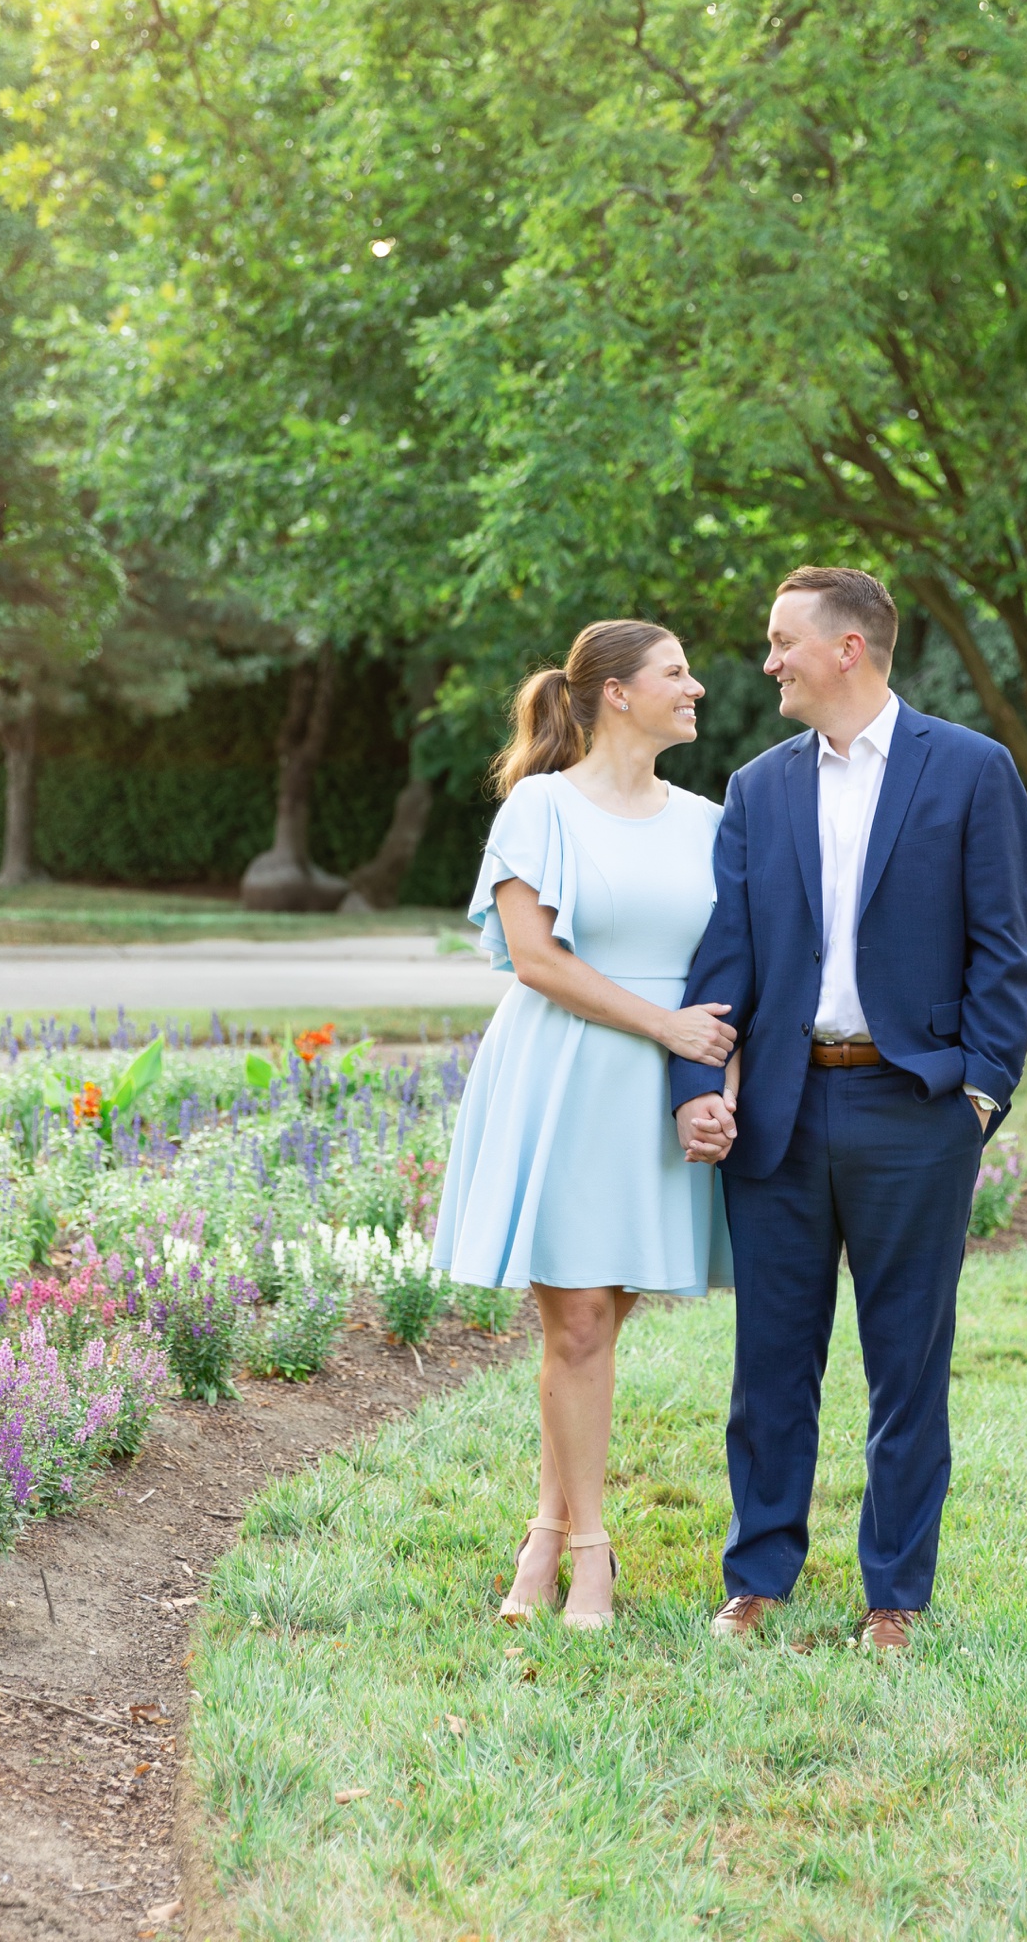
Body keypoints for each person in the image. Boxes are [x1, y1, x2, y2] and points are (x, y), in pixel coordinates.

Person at [671, 568, 1027, 1651]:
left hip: (912, 1108)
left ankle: (894, 1597)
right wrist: (704, 1088)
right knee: (770, 1365)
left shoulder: (972, 772)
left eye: (784, 641)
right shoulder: (758, 786)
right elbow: (723, 958)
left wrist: (974, 1096)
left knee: (906, 1367)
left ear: (849, 649)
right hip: (780, 1114)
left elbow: (1005, 955)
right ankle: (758, 1578)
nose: (769, 660)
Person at [432, 621, 737, 1629]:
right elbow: (536, 959)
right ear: (615, 693)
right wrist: (666, 1028)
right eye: (675, 674)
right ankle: (587, 1557)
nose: (696, 687)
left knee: (605, 1320)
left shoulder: (708, 820)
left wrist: (713, 1076)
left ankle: (545, 1536)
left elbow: (730, 968)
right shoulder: (540, 806)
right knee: (574, 1325)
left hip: (660, 1092)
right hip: (565, 1074)